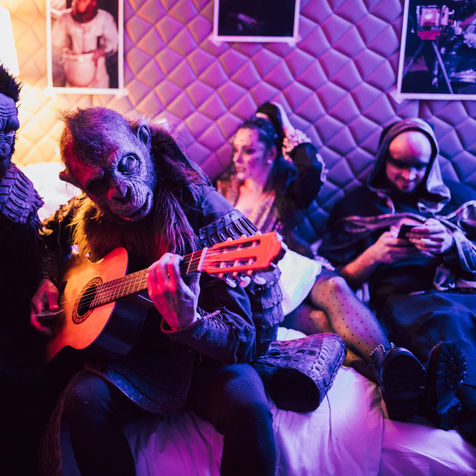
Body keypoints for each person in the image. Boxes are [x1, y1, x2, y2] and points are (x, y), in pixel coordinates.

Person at [30, 107, 285, 476]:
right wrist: (46, 278)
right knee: (82, 397)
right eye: (97, 184)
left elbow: (244, 341)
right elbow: (49, 233)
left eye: (127, 164)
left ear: (144, 141)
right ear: (77, 184)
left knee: (249, 406)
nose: (119, 190)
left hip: (206, 361)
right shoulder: (89, 213)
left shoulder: (202, 208)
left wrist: (191, 323)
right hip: (135, 360)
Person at [216, 104, 439, 423]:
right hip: (250, 280)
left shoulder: (285, 191)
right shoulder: (219, 190)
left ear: (271, 154)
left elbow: (312, 168)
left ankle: (393, 365)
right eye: (236, 149)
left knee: (335, 284)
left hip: (287, 261)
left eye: (248, 150)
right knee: (321, 323)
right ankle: (406, 387)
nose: (237, 158)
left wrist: (282, 125)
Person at [320, 117, 474, 441]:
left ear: (432, 163)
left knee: (459, 316)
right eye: (399, 165)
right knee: (444, 321)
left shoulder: (460, 199)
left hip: (464, 292)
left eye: (419, 166)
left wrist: (452, 244)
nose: (409, 176)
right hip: (408, 301)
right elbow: (327, 280)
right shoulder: (355, 207)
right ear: (383, 160)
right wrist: (373, 256)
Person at [0, 64, 46, 475]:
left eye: (11, 129)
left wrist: (46, 279)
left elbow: (44, 247)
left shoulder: (20, 186)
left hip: (27, 339)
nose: (5, 142)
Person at [51, 0, 118, 88]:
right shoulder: (64, 18)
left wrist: (101, 51)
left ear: (93, 3)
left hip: (98, 78)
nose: (77, 3)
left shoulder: (104, 18)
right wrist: (65, 50)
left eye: (82, 1)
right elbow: (56, 41)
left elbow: (113, 42)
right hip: (73, 75)